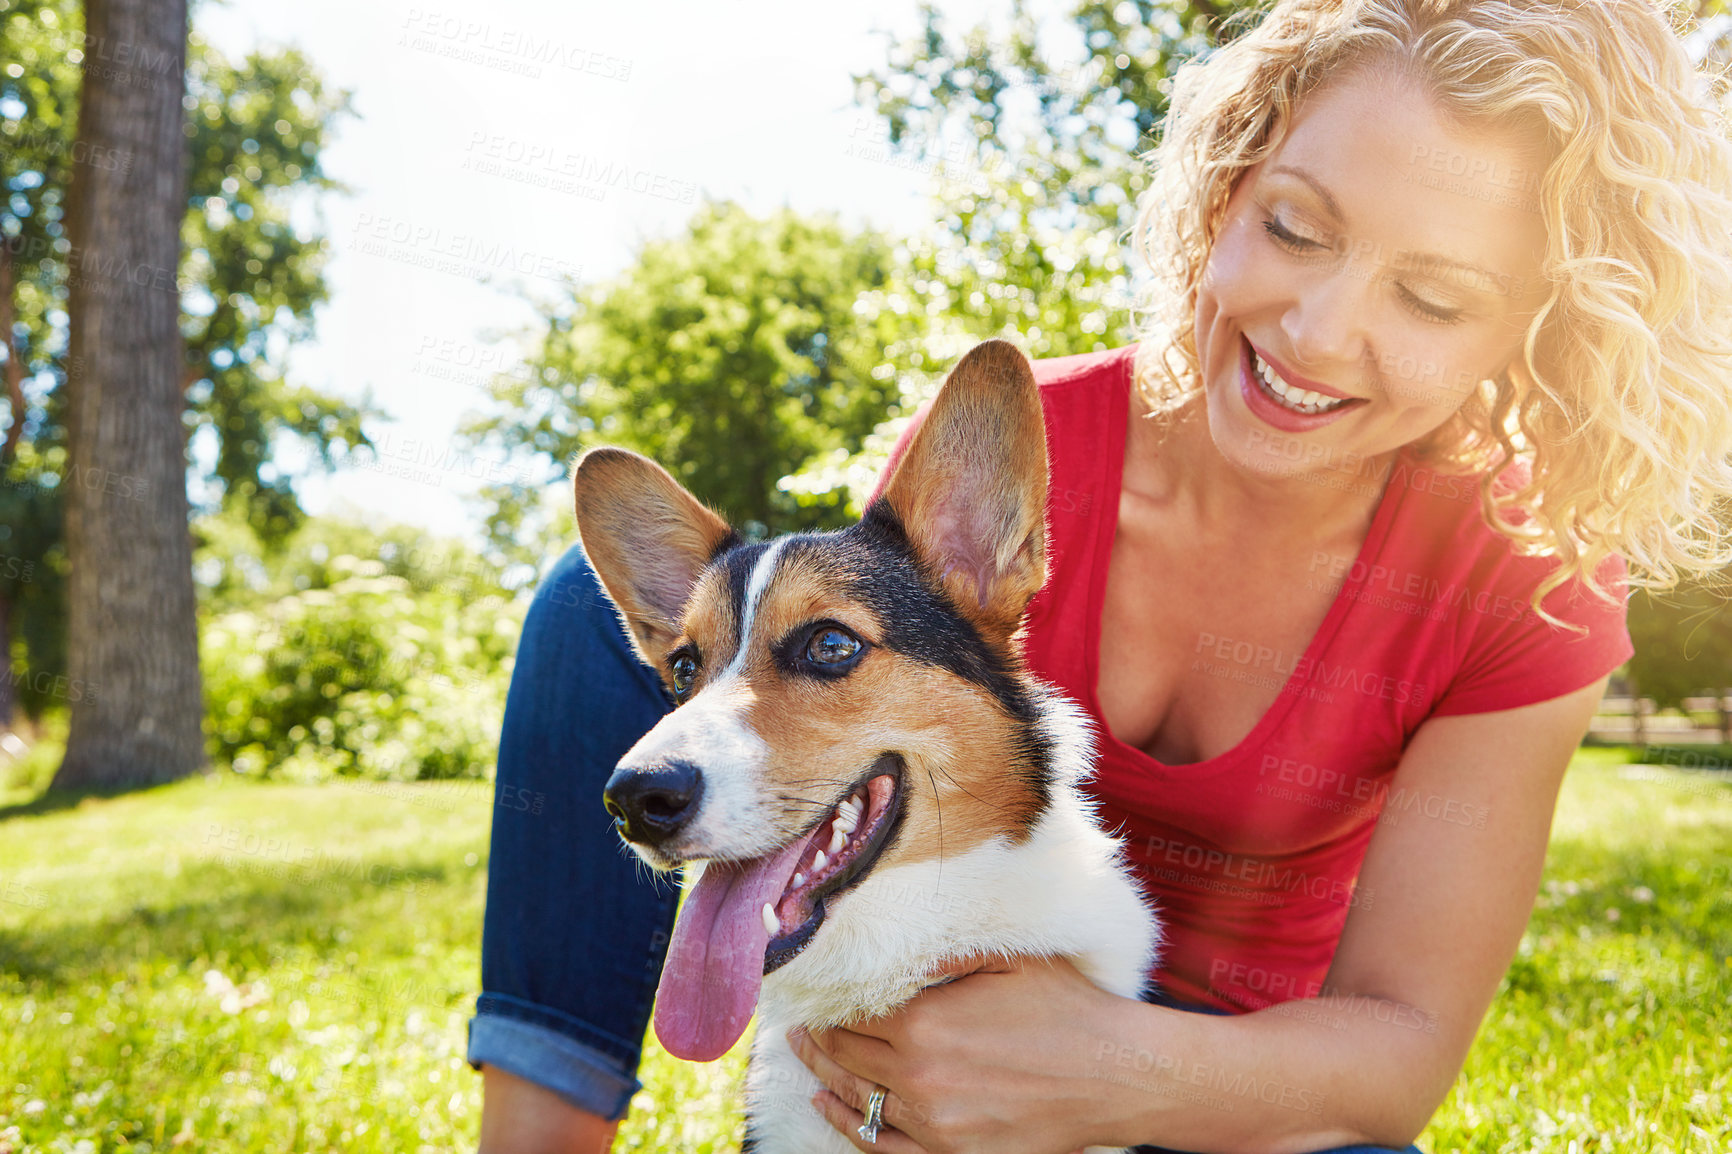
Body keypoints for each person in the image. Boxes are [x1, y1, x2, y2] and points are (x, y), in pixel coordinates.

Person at [466, 0, 1732, 1150]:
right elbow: (826, 733)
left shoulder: (1530, 581)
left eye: (1434, 297)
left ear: (1538, 327)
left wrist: (1102, 1067)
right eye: (1294, 225)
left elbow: (1396, 1052)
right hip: (949, 984)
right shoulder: (1015, 453)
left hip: (1229, 1068)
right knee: (595, 609)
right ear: (1226, 191)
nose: (1317, 330)